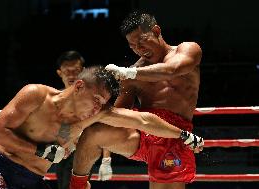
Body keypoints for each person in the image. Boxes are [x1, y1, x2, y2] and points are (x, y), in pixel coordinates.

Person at [70, 10, 203, 189]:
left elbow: (172, 69)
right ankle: (77, 185)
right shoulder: (131, 73)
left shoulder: (186, 49)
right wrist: (105, 157)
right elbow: (117, 116)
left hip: (174, 134)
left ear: (156, 31)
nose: (139, 49)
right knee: (93, 132)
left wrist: (130, 73)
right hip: (142, 132)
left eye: (141, 41)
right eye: (132, 46)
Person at [0, 66, 119, 189]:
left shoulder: (71, 124)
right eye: (96, 99)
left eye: (101, 104)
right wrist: (41, 151)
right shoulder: (36, 95)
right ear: (79, 86)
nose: (97, 109)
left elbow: (57, 147)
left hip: (33, 180)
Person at [55, 51, 113, 189]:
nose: (71, 75)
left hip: (84, 151)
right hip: (61, 152)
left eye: (75, 70)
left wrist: (106, 159)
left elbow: (103, 125)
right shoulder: (54, 97)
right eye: (67, 71)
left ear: (82, 71)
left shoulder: (94, 98)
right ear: (59, 72)